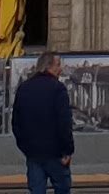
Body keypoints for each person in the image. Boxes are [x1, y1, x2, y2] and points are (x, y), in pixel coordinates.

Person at [13, 52, 75, 194]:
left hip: (33, 153)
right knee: (62, 188)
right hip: (56, 153)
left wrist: (25, 147)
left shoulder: (24, 88)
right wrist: (67, 150)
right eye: (58, 65)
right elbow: (64, 122)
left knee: (36, 190)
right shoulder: (58, 89)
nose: (61, 68)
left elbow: (16, 122)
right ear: (48, 67)